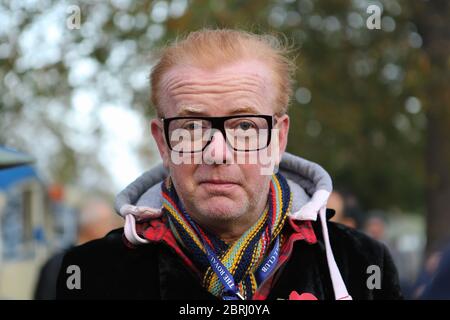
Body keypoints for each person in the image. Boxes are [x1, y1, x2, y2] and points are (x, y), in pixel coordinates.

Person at [56, 29, 402, 300]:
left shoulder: (359, 265)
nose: (217, 153)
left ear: (278, 140)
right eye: (191, 128)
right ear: (162, 143)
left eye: (245, 127)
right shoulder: (92, 273)